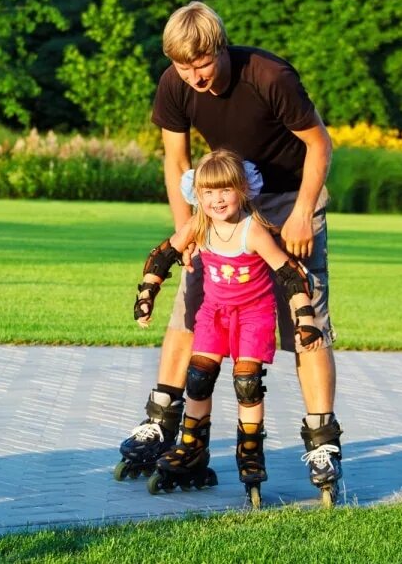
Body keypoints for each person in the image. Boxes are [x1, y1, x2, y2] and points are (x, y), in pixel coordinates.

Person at [117, 1, 343, 504]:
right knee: (191, 303)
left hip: (289, 198)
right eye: (183, 66)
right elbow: (176, 161)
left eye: (202, 64)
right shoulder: (174, 85)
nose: (194, 76)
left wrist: (304, 211)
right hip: (221, 200)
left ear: (220, 47)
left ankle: (322, 442)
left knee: (305, 314)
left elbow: (320, 145)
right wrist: (187, 230)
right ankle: (163, 424)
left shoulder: (268, 75)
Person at [131, 150, 322, 507]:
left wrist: (305, 319)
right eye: (208, 192)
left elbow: (289, 273)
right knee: (198, 379)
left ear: (243, 190)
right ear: (197, 195)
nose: (216, 199)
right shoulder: (200, 225)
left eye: (225, 191)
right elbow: (164, 254)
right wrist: (146, 293)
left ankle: (250, 454)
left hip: (254, 315)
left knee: (247, 384)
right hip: (214, 314)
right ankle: (190, 448)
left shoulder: (254, 230)